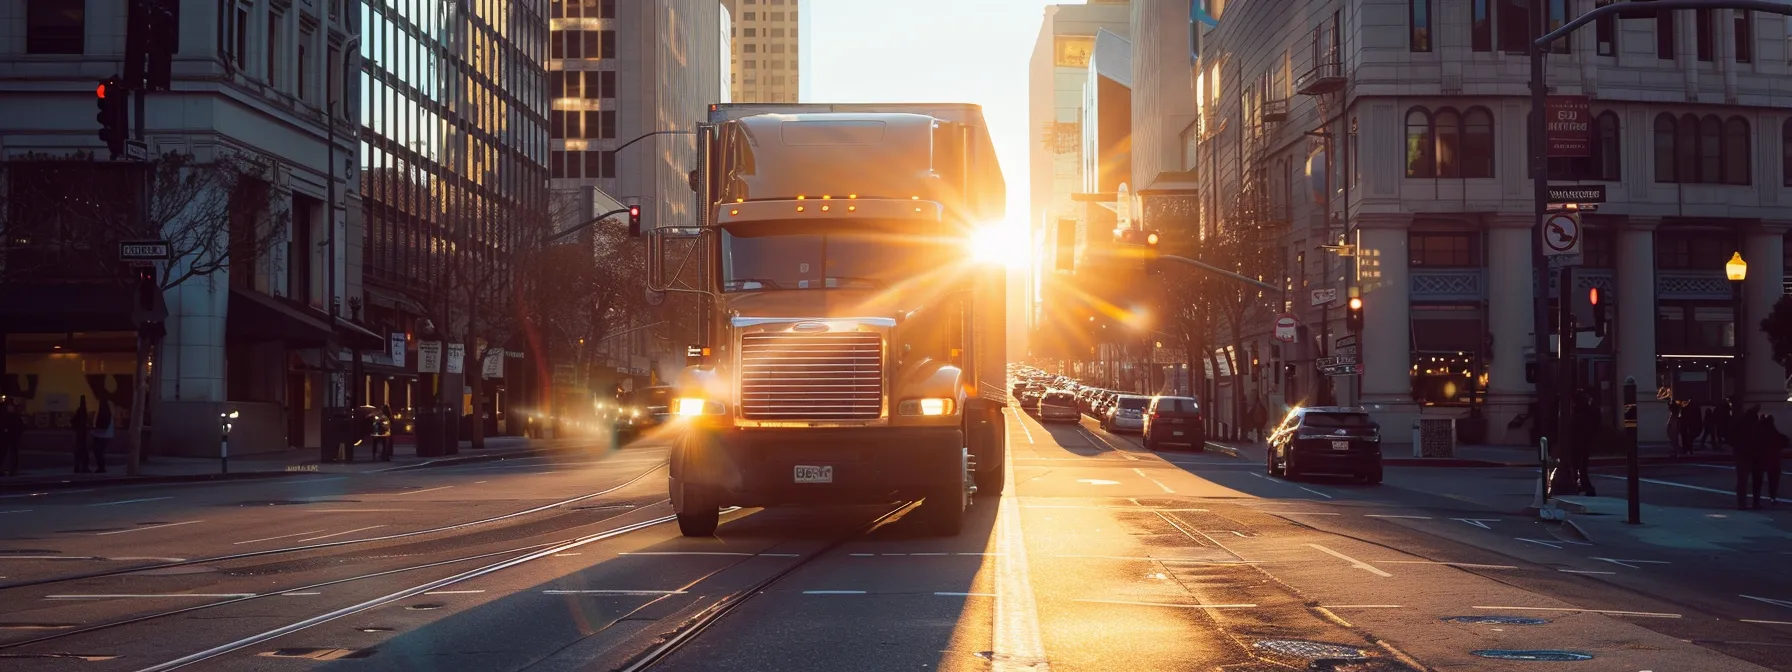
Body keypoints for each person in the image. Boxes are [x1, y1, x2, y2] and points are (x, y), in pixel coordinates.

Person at [1733, 407, 1760, 510]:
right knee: (1754, 480)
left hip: (1742, 455)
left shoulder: (1740, 426)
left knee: (1742, 480)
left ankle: (1742, 502)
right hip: (1750, 455)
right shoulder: (1754, 427)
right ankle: (1753, 502)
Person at [1759, 416, 1785, 508]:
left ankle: (1758, 498)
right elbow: (1783, 441)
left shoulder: (1761, 434)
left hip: (1763, 458)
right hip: (1774, 459)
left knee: (1760, 478)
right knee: (1774, 478)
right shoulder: (1774, 433)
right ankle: (1772, 495)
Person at [0, 398, 23, 477]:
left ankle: (13, 469)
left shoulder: (13, 415)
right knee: (4, 452)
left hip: (11, 435)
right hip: (7, 435)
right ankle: (13, 469)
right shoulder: (5, 414)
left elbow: (19, 424)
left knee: (12, 452)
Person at [90, 400, 115, 474]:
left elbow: (103, 422)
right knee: (97, 450)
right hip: (102, 433)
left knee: (98, 450)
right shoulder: (104, 408)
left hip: (103, 433)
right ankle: (101, 466)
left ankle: (101, 467)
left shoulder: (104, 409)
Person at [72, 396, 91, 473]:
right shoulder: (83, 411)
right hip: (82, 434)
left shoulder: (79, 411)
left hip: (80, 434)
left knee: (79, 452)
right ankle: (84, 468)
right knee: (83, 453)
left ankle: (78, 468)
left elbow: (74, 420)